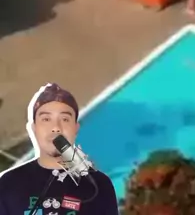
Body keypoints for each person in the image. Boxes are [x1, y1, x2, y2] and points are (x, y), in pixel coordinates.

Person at [0, 82, 119, 214]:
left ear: (75, 128)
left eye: (65, 119)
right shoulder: (8, 184)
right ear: (34, 128)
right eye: (46, 119)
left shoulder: (98, 185)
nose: (56, 127)